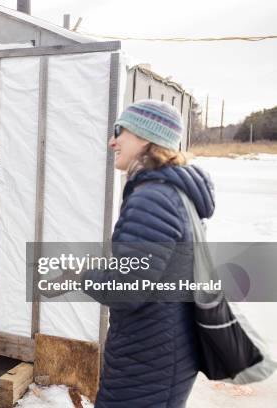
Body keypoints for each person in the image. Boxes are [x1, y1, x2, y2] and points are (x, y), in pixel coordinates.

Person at [80, 100, 215, 407]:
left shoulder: (153, 198)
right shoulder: (173, 192)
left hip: (148, 356)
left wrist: (83, 274)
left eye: (120, 131)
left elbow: (128, 289)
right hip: (165, 346)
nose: (112, 141)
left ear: (145, 138)